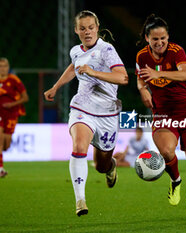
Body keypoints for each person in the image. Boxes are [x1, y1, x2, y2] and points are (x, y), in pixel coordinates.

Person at [44, 10, 128, 217]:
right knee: (79, 146)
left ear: (97, 28)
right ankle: (80, 200)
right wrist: (56, 87)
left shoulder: (106, 50)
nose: (87, 32)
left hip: (107, 114)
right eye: (83, 28)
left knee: (101, 165)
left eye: (91, 27)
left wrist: (93, 72)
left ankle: (110, 166)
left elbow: (123, 77)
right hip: (83, 108)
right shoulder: (75, 50)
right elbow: (74, 67)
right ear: (76, 30)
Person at [136, 14, 186, 224]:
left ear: (168, 38)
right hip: (163, 113)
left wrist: (160, 75)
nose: (159, 43)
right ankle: (175, 180)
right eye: (155, 39)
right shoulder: (142, 56)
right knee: (166, 151)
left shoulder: (177, 52)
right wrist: (143, 90)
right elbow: (141, 79)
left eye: (163, 39)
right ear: (147, 39)